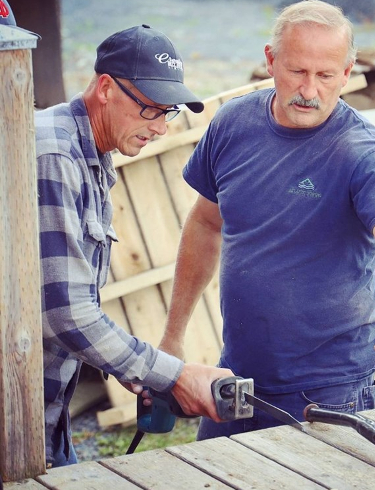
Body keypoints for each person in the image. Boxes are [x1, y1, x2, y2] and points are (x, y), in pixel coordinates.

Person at [159, 0, 375, 441]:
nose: (309, 90)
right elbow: (205, 224)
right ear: (271, 60)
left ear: (347, 73)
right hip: (237, 376)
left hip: (328, 392)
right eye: (297, 71)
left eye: (326, 75)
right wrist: (173, 336)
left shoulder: (360, 154)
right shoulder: (233, 124)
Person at [35, 24, 233, 468]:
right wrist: (173, 375)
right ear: (105, 88)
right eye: (150, 110)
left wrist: (130, 366)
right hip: (16, 415)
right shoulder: (55, 155)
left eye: (170, 112)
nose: (161, 128)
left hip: (48, 413)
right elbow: (63, 312)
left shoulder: (94, 155)